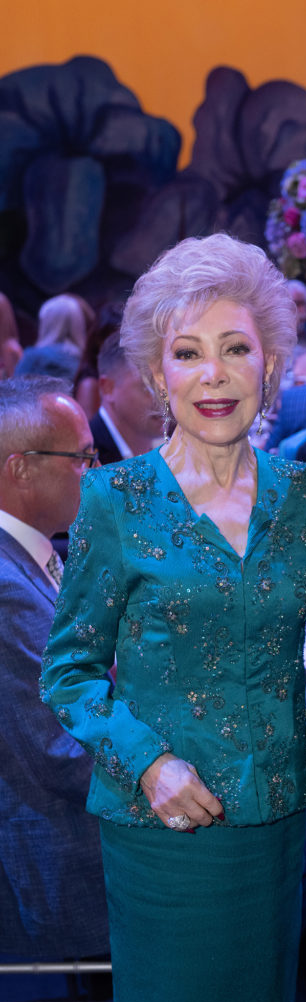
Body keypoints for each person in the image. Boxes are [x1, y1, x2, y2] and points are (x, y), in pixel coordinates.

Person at [40, 233, 306, 1002]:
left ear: (270, 367)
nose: (214, 375)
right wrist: (148, 764)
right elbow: (67, 669)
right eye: (189, 353)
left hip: (273, 825)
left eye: (236, 349)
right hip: (163, 828)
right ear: (156, 374)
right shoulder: (113, 500)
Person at [0, 377, 109, 967]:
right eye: (83, 458)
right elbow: (60, 752)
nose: (96, 472)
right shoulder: (4, 588)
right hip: (64, 862)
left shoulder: (33, 557)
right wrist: (176, 763)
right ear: (20, 469)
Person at [89, 330, 163, 463]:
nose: (163, 399)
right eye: (148, 387)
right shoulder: (85, 459)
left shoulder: (171, 451)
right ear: (108, 389)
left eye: (166, 385)